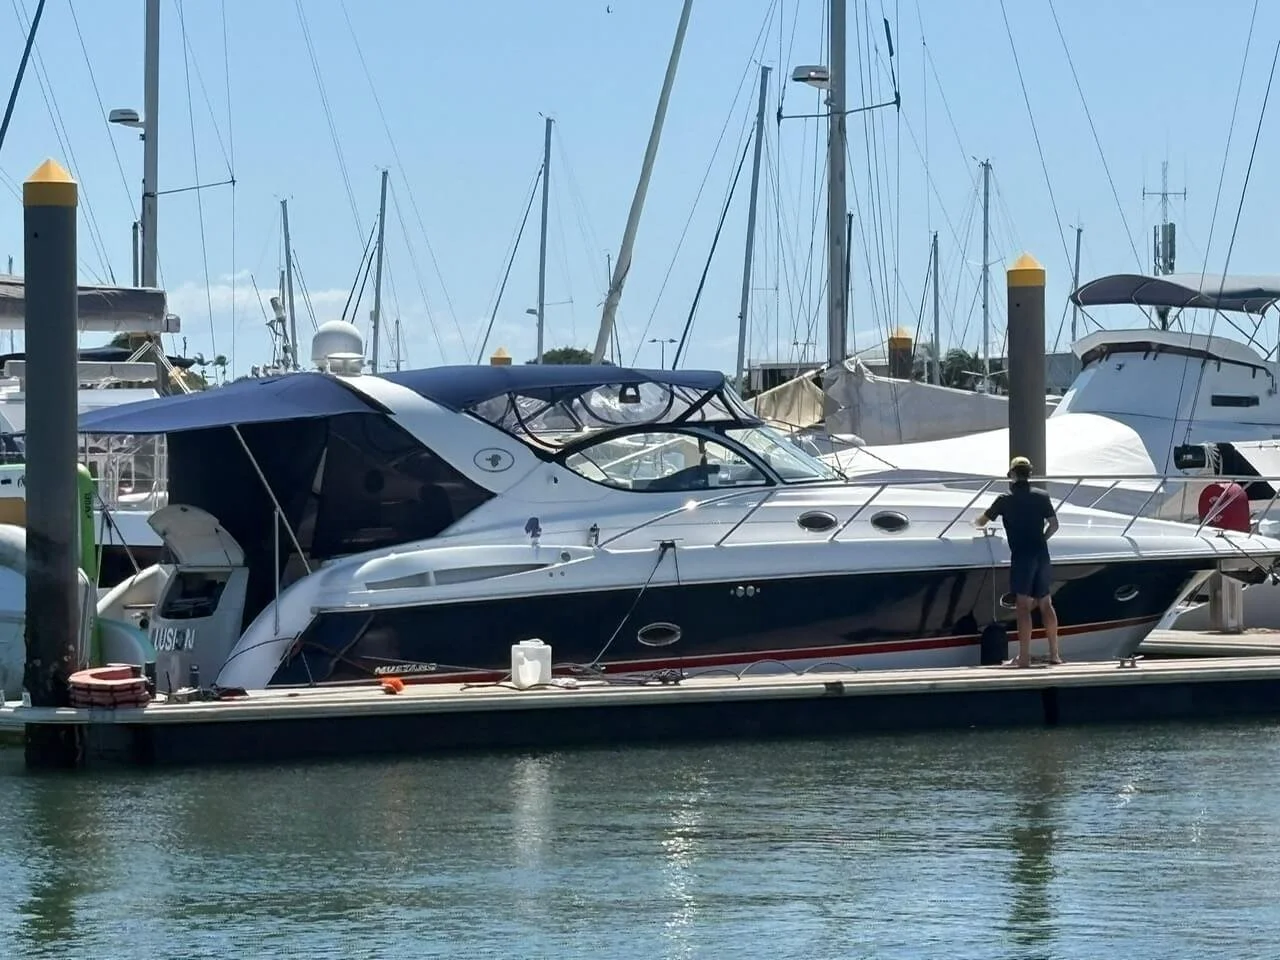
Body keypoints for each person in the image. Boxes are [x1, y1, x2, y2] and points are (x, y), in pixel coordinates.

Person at [974, 456, 1063, 668]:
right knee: (1045, 603)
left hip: (1022, 556)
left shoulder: (1004, 499)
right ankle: (1055, 655)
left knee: (1022, 606)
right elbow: (1054, 525)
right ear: (1030, 473)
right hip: (1041, 553)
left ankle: (1023, 659)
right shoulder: (1042, 496)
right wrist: (1042, 538)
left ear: (1011, 475)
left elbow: (981, 522)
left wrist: (973, 524)